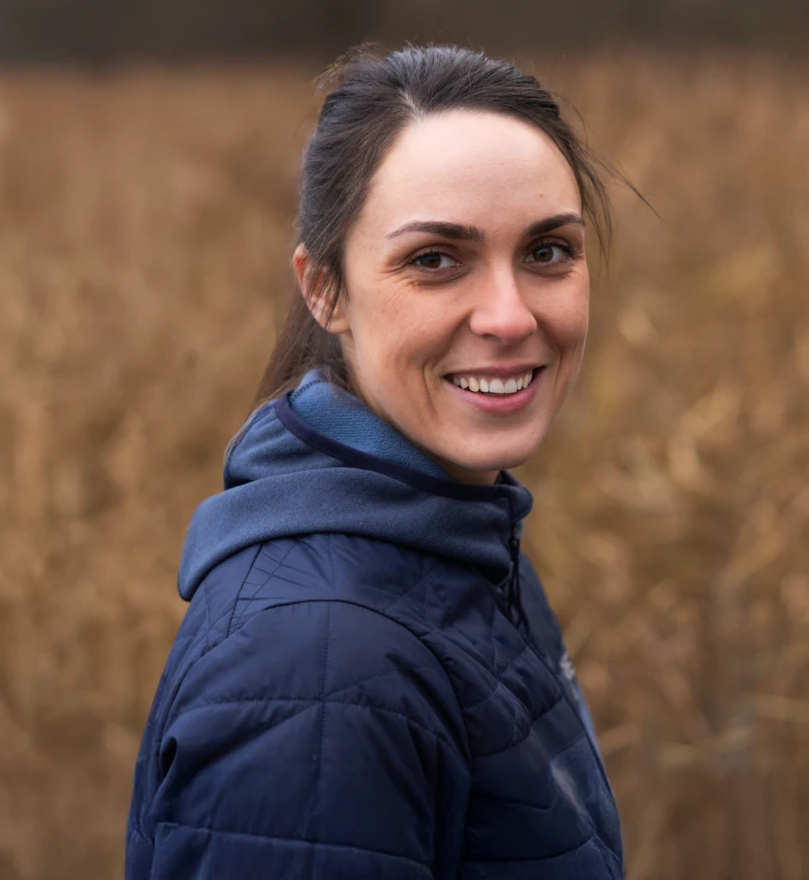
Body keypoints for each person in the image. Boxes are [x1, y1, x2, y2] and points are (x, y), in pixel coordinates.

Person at [125, 45, 628, 879]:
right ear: (323, 289)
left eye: (547, 252)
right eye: (436, 259)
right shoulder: (322, 667)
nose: (509, 316)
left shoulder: (462, 540)